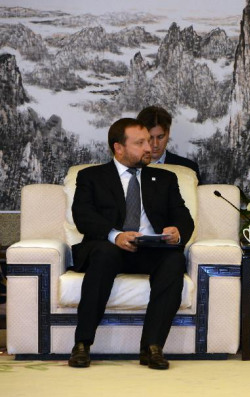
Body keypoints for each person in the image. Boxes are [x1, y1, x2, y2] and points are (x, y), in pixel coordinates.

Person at [68, 118, 194, 370]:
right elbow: (83, 216)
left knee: (174, 259)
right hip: (108, 247)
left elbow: (183, 217)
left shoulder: (165, 179)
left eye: (149, 141)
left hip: (150, 249)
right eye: (140, 143)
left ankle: (152, 347)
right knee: (104, 253)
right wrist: (115, 235)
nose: (149, 147)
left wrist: (176, 232)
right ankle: (82, 344)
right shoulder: (90, 176)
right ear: (119, 148)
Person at [137, 105, 202, 182]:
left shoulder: (188, 168)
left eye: (160, 137)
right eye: (150, 138)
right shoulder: (127, 167)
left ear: (168, 133)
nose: (155, 144)